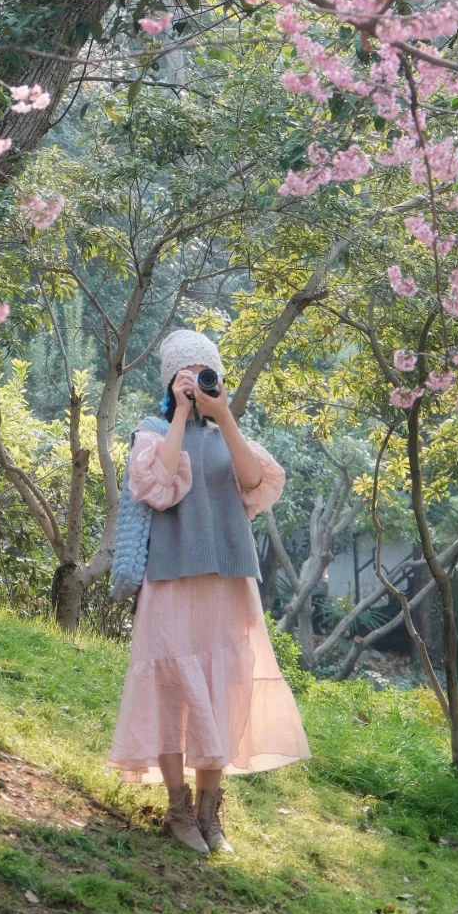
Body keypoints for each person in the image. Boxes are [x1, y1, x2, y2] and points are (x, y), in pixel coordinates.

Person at [107, 329, 310, 853]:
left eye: (205, 372)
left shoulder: (229, 433)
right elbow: (157, 487)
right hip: (170, 579)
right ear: (170, 380)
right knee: (170, 690)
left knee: (222, 690)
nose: (197, 382)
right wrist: (179, 413)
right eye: (187, 374)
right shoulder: (152, 432)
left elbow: (255, 484)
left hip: (227, 580)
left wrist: (224, 416)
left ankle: (209, 815)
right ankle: (177, 811)